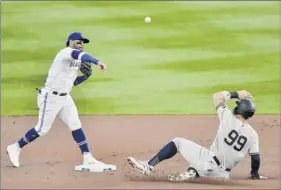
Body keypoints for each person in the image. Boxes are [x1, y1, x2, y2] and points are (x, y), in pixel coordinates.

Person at [6, 32, 116, 172]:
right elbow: (80, 55)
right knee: (42, 129)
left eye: (83, 42)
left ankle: (87, 158)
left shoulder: (76, 61)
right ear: (70, 41)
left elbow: (72, 82)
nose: (81, 43)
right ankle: (15, 147)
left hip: (65, 97)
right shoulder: (66, 53)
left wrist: (85, 77)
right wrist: (97, 62)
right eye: (79, 41)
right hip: (50, 97)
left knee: (75, 124)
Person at [127, 90, 266, 181]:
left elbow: (217, 97)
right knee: (202, 157)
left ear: (239, 109)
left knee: (178, 142)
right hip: (223, 176)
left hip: (210, 163)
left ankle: (148, 166)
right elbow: (256, 158)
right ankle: (193, 172)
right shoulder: (253, 135)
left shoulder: (228, 118)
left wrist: (236, 94)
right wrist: (254, 174)